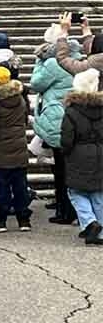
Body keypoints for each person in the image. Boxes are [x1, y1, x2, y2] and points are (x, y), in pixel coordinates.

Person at [33, 31, 81, 224]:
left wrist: (39, 62)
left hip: (57, 118)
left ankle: (65, 211)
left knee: (61, 169)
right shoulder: (79, 61)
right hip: (76, 117)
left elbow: (36, 83)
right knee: (72, 167)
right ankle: (76, 210)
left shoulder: (53, 64)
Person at [0, 67, 31, 232]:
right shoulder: (20, 99)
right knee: (20, 185)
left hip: (0, 150)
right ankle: (24, 219)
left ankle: (0, 220)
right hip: (19, 148)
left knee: (2, 185)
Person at [62, 69, 103, 245]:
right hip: (100, 152)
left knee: (76, 191)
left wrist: (66, 151)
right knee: (98, 193)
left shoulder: (72, 111)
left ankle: (89, 222)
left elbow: (67, 137)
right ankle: (100, 232)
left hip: (78, 153)